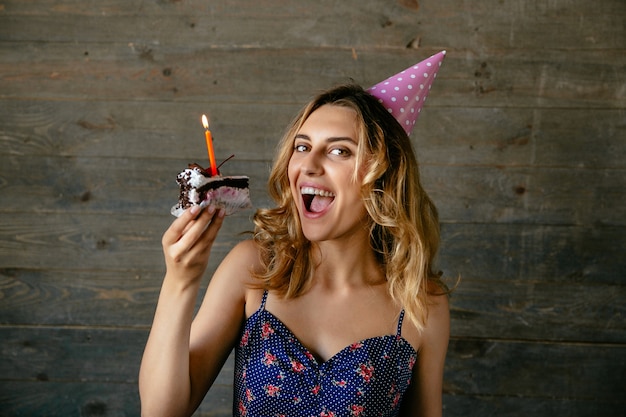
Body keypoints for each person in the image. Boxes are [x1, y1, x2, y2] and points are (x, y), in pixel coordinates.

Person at [140, 53, 450, 417]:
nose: (309, 165)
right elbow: (162, 412)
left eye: (339, 151)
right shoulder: (254, 269)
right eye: (302, 147)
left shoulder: (421, 302)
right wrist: (180, 281)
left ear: (384, 176)